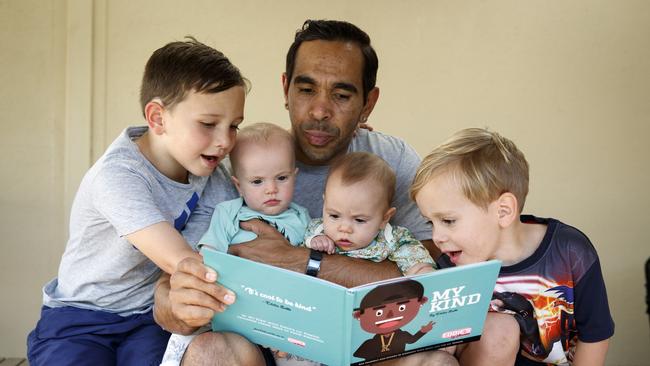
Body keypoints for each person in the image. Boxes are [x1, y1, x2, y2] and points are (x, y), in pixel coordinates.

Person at [156, 20, 518, 366]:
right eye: (306, 89)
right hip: (265, 343)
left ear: (368, 103)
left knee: (435, 361)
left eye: (342, 95)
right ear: (286, 89)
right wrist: (180, 305)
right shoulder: (241, 159)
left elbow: (427, 278)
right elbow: (169, 289)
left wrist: (300, 260)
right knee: (210, 353)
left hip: (369, 345)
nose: (319, 110)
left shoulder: (390, 161)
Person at [26, 38, 247, 365]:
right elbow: (183, 262)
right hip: (81, 315)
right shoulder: (117, 175)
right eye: (209, 124)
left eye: (234, 126)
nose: (225, 141)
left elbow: (214, 250)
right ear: (158, 118)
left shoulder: (214, 180)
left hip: (148, 318)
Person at [410, 127, 615, 365]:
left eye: (448, 221)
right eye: (430, 222)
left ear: (503, 211)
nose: (436, 236)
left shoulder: (571, 252)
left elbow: (595, 334)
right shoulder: (450, 267)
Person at [305, 152, 435, 276]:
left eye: (359, 220)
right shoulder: (318, 228)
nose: (344, 228)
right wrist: (314, 240)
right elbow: (304, 240)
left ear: (385, 218)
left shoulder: (392, 239)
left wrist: (421, 270)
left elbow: (412, 254)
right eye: (334, 216)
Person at [200, 122, 309, 253]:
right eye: (257, 181)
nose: (271, 189)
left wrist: (319, 241)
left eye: (281, 178)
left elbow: (312, 251)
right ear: (239, 186)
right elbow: (211, 250)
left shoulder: (301, 215)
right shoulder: (228, 212)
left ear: (294, 178)